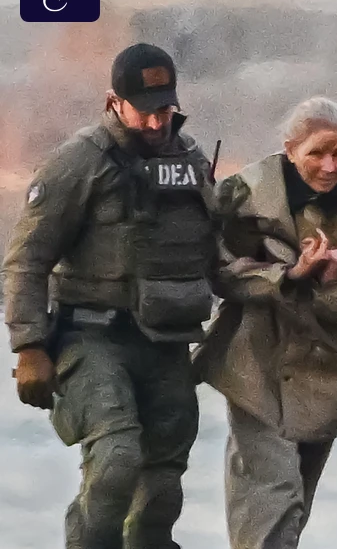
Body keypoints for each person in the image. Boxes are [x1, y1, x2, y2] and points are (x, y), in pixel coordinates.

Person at [4, 42, 216, 549]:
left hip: (165, 339)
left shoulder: (189, 160)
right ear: (113, 103)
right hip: (90, 336)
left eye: (165, 108)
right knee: (117, 460)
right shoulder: (79, 162)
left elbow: (214, 246)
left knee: (162, 486)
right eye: (144, 111)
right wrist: (29, 346)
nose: (156, 122)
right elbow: (27, 258)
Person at [192, 96, 337, 549]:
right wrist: (288, 274)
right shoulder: (247, 193)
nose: (330, 166)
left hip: (328, 371)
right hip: (258, 365)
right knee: (271, 496)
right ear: (290, 149)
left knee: (296, 503)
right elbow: (216, 268)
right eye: (317, 153)